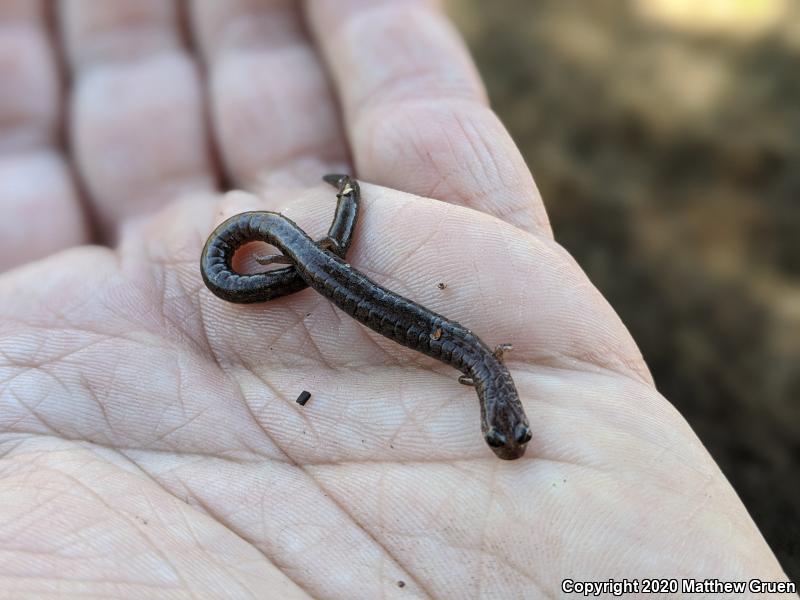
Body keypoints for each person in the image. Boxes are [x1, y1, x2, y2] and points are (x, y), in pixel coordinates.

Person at [0, 1, 790, 597]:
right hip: (330, 279)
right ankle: (336, 213)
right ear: (502, 409)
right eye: (507, 430)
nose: (508, 436)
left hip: (351, 293)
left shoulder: (480, 365)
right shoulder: (478, 360)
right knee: (328, 268)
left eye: (502, 435)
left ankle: (336, 214)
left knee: (331, 271)